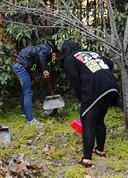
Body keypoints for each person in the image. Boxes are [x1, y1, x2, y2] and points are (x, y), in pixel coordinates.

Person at [59, 41, 119, 169]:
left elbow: (75, 80)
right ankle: (100, 150)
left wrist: (82, 98)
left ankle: (87, 160)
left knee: (87, 122)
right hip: (111, 86)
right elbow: (110, 63)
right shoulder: (92, 53)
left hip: (95, 89)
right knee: (99, 120)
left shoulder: (70, 58)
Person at [12, 43, 58, 125]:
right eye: (55, 58)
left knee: (26, 91)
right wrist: (45, 69)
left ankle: (24, 112)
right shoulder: (45, 51)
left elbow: (34, 66)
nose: (54, 60)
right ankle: (30, 120)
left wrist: (32, 79)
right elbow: (41, 56)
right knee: (28, 92)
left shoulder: (42, 52)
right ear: (54, 54)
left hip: (21, 66)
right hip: (20, 66)